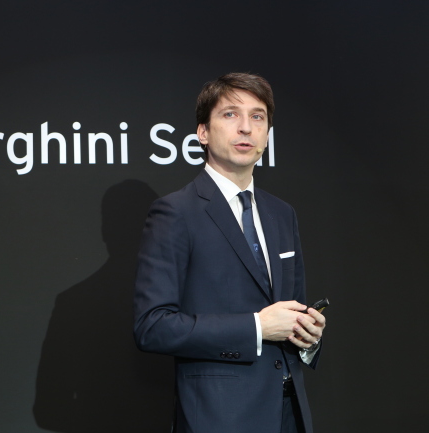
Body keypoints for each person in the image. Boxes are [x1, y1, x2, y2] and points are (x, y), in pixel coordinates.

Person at [133, 72, 325, 433]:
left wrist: (308, 335)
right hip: (219, 418)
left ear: (267, 134)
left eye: (257, 117)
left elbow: (292, 310)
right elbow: (152, 326)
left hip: (290, 414)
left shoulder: (282, 214)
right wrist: (256, 327)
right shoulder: (176, 212)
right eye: (230, 115)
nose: (246, 128)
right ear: (202, 133)